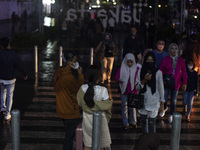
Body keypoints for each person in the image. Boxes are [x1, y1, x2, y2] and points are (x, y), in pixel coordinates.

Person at [77, 65, 112, 150]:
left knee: (88, 145)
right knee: (100, 145)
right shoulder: (103, 90)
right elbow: (107, 107)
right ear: (99, 77)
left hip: (87, 119)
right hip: (100, 119)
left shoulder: (82, 88)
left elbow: (79, 103)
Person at [54, 51, 84, 150]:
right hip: (70, 110)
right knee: (69, 137)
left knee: (69, 134)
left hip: (62, 109)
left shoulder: (59, 73)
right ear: (69, 62)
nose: (76, 62)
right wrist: (80, 76)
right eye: (75, 60)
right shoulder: (69, 77)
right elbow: (78, 90)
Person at [0, 37, 28, 120]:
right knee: (10, 95)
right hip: (10, 79)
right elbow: (19, 65)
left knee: (2, 91)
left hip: (1, 78)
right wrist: (24, 74)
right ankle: (7, 114)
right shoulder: (14, 55)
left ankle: (2, 107)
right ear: (9, 45)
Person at [159, 43, 187, 123]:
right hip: (166, 82)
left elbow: (184, 71)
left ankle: (171, 114)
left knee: (173, 100)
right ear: (169, 50)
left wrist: (184, 82)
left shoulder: (180, 60)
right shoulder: (165, 59)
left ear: (177, 50)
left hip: (176, 83)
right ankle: (164, 108)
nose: (174, 50)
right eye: (172, 48)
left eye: (175, 48)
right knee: (164, 98)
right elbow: (161, 70)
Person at [139, 51, 165, 134]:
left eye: (151, 60)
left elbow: (161, 88)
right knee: (143, 123)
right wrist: (144, 80)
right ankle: (144, 142)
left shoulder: (158, 73)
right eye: (148, 60)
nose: (149, 62)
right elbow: (137, 87)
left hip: (154, 101)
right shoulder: (141, 71)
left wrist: (162, 103)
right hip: (142, 101)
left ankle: (151, 143)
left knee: (152, 124)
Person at [115, 53, 142, 130]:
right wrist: (120, 81)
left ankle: (133, 121)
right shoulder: (122, 68)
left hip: (132, 91)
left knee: (132, 107)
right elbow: (117, 78)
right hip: (124, 90)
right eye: (128, 62)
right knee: (124, 106)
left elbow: (138, 80)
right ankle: (125, 122)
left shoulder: (136, 69)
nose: (130, 64)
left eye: (131, 62)